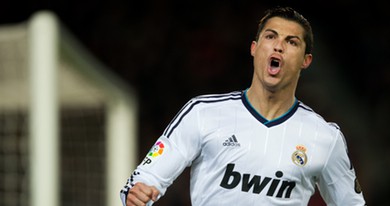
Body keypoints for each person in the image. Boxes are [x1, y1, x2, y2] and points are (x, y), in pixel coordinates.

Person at [121, 6, 366, 206]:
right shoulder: (202, 114)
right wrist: (136, 193)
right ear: (254, 48)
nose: (278, 46)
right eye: (270, 37)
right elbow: (142, 181)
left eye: (291, 42)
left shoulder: (324, 137)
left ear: (306, 60)